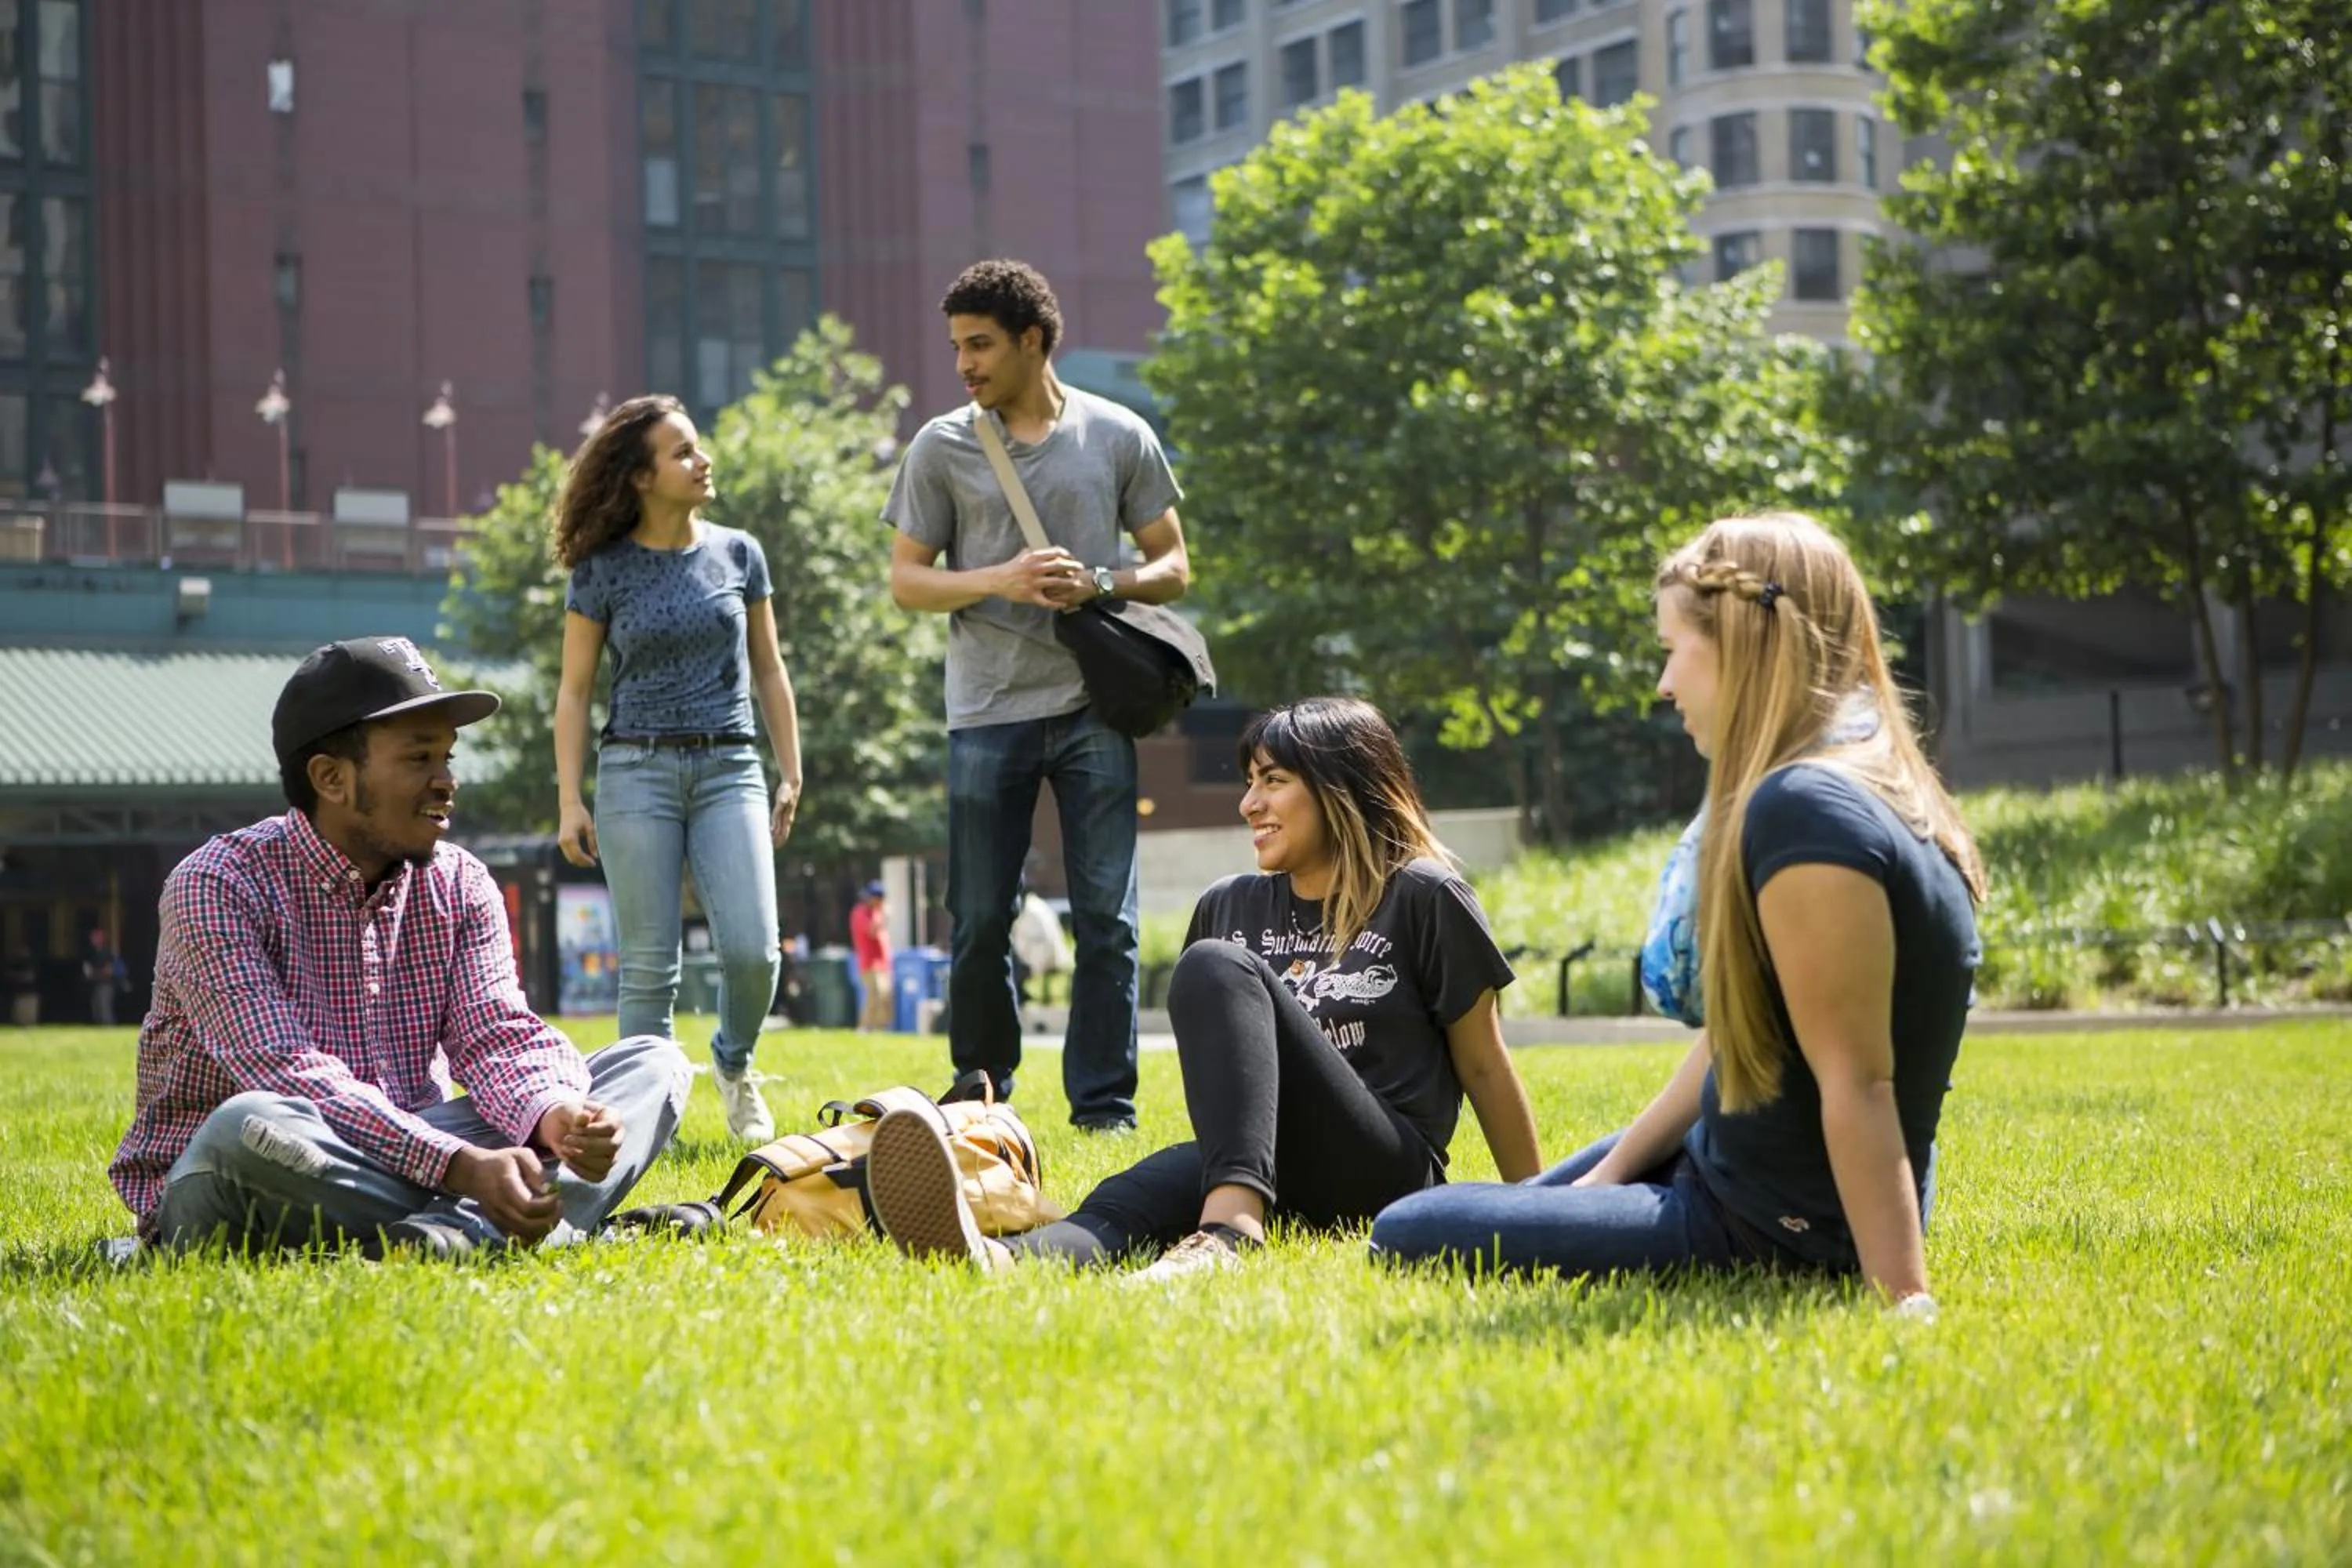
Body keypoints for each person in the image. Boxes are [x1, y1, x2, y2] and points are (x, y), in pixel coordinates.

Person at [1370, 514, 1984, 1318]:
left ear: (1737, 638)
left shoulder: (1808, 810)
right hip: (1731, 1170)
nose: (1663, 684)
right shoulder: (1874, 785)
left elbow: (1860, 1080)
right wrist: (1603, 1182)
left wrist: (1904, 1298)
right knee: (1528, 1199)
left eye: (1671, 648)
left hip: (1769, 1224)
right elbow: (1735, 1041)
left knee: (1406, 1228)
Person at [862, 697, 1545, 1281]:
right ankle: (996, 1260)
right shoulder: (1233, 903)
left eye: (1272, 781)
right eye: (1250, 782)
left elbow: (1483, 1062)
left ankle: (1229, 1235)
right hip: (1265, 1162)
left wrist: (1542, 1210)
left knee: (1216, 964)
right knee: (1124, 1202)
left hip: (1385, 1170)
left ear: (1343, 788)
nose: (1250, 804)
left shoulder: (1424, 895)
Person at [108, 637, 691, 1257]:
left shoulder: (460, 882)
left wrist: (558, 1114)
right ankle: (504, 1222)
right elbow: (285, 1071)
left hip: (415, 1144)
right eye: (419, 760)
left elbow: (495, 1032)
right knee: (245, 1125)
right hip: (268, 1164)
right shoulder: (217, 884)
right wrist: (463, 1166)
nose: (447, 783)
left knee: (653, 1065)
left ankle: (446, 1238)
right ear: (331, 778)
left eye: (447, 757)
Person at [884, 259, 1190, 1133]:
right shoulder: (941, 445)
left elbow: (1175, 566)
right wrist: (1002, 580)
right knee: (981, 915)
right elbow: (908, 580)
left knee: (1109, 920)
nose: (964, 364)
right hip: (986, 710)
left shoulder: (1119, 433)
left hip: (1095, 706)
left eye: (980, 344)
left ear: (1033, 340)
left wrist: (1098, 580)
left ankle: (1104, 1106)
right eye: (956, 346)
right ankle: (981, 1090)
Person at [554, 394, 804, 1143]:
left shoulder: (739, 553)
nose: (704, 461)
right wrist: (569, 799)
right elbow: (573, 692)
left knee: (754, 950)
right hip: (636, 771)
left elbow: (769, 669)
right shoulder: (602, 571)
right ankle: (638, 1124)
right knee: (647, 968)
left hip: (730, 766)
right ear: (640, 477)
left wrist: (790, 770)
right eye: (684, 452)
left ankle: (733, 1061)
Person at [850, 880, 894, 1033]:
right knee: (875, 994)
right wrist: (883, 916)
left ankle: (880, 1028)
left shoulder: (876, 912)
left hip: (883, 962)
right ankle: (865, 1027)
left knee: (886, 996)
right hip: (869, 962)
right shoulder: (860, 912)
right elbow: (871, 931)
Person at [83, 929, 121, 1026]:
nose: (92, 939)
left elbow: (108, 971)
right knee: (96, 1012)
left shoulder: (108, 953)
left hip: (106, 986)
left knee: (105, 1011)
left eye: (95, 937)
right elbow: (87, 972)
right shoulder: (91, 954)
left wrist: (95, 973)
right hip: (95, 986)